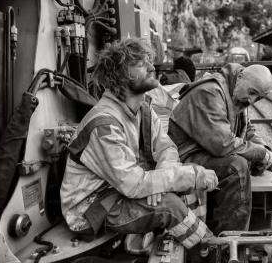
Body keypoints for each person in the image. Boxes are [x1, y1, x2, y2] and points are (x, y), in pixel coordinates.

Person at [60, 38, 218, 250]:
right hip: (92, 207)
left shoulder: (143, 109)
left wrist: (161, 178)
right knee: (171, 206)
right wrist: (188, 176)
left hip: (119, 190)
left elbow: (167, 148)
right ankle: (211, 251)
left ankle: (200, 249)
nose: (153, 67)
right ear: (121, 74)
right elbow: (133, 184)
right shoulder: (103, 124)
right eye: (143, 63)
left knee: (186, 186)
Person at [168, 63, 272, 235]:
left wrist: (265, 149)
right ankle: (228, 244)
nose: (252, 100)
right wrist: (259, 153)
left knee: (262, 154)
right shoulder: (210, 92)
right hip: (184, 155)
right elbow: (222, 144)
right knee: (236, 167)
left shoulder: (234, 94)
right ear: (240, 77)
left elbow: (247, 131)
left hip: (203, 150)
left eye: (258, 98)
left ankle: (261, 214)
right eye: (252, 93)